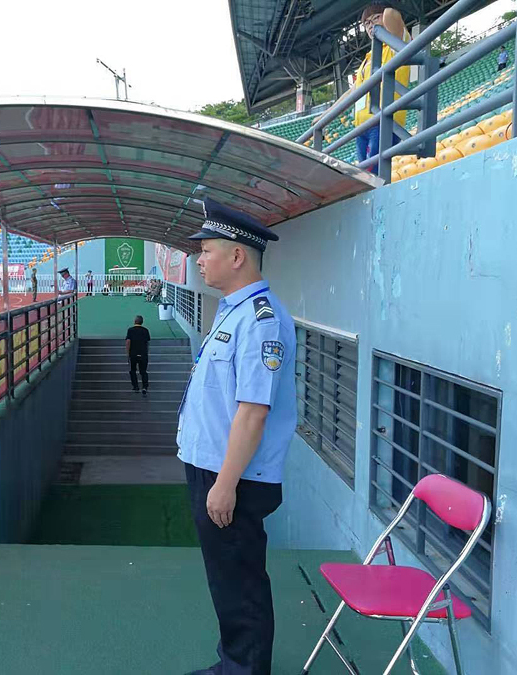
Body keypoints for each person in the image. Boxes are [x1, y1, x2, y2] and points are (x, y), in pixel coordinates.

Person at [178, 198, 296, 675]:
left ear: (237, 255)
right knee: (226, 578)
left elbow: (252, 413)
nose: (199, 259)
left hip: (234, 476)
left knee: (240, 581)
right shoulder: (233, 311)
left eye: (206, 250)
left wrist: (225, 484)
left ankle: (245, 670)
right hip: (213, 466)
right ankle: (234, 663)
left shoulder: (262, 320)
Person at [322, 4, 410, 175]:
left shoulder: (396, 43)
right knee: (367, 175)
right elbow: (352, 92)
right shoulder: (368, 60)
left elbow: (391, 15)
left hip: (382, 121)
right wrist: (325, 115)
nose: (371, 25)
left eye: (376, 18)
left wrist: (381, 18)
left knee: (371, 175)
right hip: (362, 127)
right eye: (367, 24)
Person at [125, 315, 150, 396]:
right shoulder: (145, 330)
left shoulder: (130, 330)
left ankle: (135, 387)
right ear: (142, 322)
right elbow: (147, 343)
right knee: (143, 371)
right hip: (143, 354)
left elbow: (128, 342)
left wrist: (127, 353)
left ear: (134, 321)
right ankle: (145, 387)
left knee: (132, 371)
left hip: (133, 354)